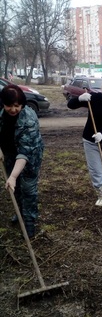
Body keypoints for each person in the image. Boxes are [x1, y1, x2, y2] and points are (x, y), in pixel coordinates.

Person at [67, 78, 102, 206]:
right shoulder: (94, 98)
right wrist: (80, 98)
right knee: (96, 169)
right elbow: (70, 105)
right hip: (90, 139)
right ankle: (100, 193)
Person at [0, 85, 44, 238]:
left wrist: (12, 175)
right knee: (15, 188)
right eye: (9, 105)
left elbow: (24, 152)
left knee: (28, 188)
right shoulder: (1, 113)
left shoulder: (29, 120)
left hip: (29, 156)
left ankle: (29, 222)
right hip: (10, 154)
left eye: (16, 106)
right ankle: (19, 213)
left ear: (22, 104)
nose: (12, 109)